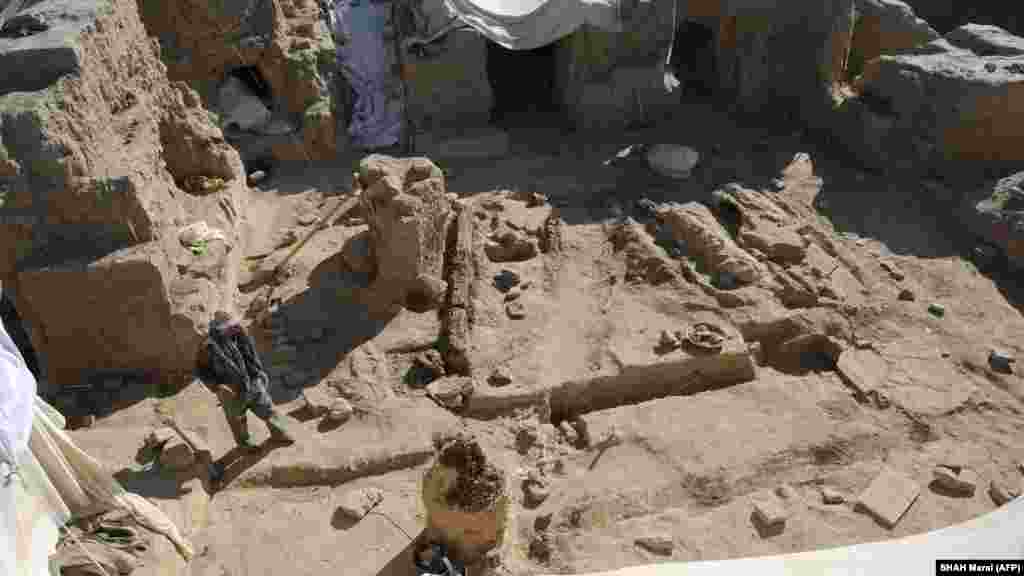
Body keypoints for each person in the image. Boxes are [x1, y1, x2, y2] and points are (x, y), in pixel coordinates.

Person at [196, 312, 295, 449]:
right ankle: (245, 444)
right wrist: (217, 387)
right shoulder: (208, 347)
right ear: (220, 329)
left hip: (253, 382)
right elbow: (201, 371)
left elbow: (251, 354)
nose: (234, 327)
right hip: (231, 391)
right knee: (238, 420)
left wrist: (259, 371)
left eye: (234, 325)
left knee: (268, 409)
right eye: (230, 326)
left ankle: (279, 434)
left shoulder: (240, 333)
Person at [335, 0, 404, 153]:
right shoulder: (347, 11)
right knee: (371, 81)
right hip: (361, 23)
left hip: (372, 22)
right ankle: (374, 129)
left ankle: (379, 130)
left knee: (379, 82)